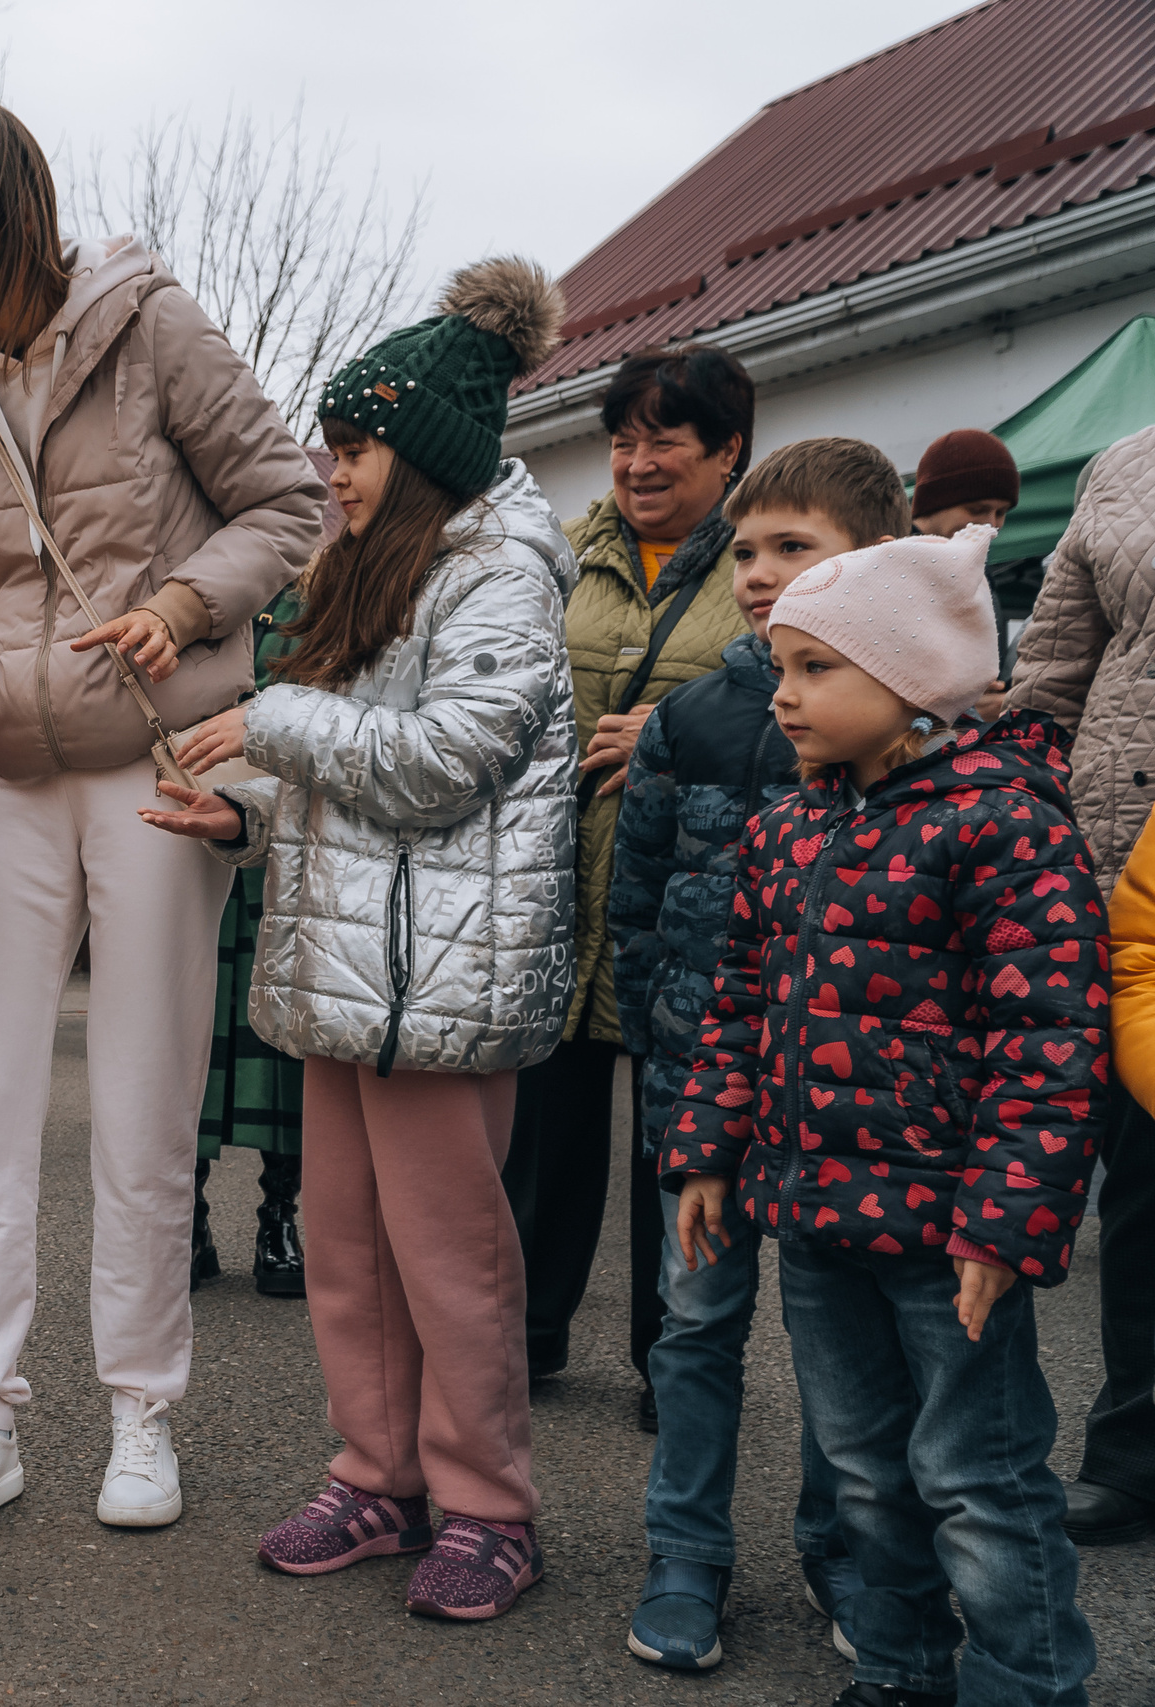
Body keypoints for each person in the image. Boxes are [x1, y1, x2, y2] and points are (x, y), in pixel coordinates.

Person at [0, 96, 323, 1537]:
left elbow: (289, 504)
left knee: (145, 1095)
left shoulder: (154, 322)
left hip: (156, 760)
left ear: (3, 212)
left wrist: (181, 602)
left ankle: (142, 1409)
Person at [149, 257, 573, 1618]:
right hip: (344, 972)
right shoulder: (363, 572)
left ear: (429, 449)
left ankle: (490, 1501)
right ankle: (375, 1473)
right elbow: (345, 766)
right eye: (330, 449)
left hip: (442, 987)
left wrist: (272, 725)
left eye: (354, 448)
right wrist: (244, 814)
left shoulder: (503, 578)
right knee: (346, 1243)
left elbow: (447, 761)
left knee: (451, 1257)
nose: (332, 474)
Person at [667, 525, 1099, 1707]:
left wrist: (1003, 1226)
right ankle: (900, 1672)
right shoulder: (787, 827)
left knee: (980, 1480)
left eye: (817, 668)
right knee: (863, 1472)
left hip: (946, 1236)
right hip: (815, 1219)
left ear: (913, 685)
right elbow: (738, 1002)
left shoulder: (1003, 823)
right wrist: (708, 1147)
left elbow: (1049, 1045)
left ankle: (1026, 1681)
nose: (785, 694)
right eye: (782, 664)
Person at [609, 438, 907, 1670]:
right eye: (746, 550)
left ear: (878, 560)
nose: (760, 574)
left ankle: (843, 1550)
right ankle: (685, 1552)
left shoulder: (914, 732)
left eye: (796, 548)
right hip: (706, 1093)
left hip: (851, 1111)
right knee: (696, 1329)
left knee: (850, 1352)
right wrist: (668, 1068)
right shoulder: (691, 716)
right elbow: (635, 904)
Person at [520, 344, 755, 1409]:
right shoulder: (565, 556)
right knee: (545, 1129)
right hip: (564, 888)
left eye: (665, 439)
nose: (637, 462)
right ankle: (525, 1332)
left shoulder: (763, 568)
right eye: (622, 441)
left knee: (680, 1133)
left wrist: (677, 724)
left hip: (697, 895)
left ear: (726, 451)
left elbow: (808, 701)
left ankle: (673, 1359)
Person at [1002, 421, 1155, 1545]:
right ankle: (1135, 1449)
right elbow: (1052, 677)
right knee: (1139, 1185)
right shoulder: (1126, 464)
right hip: (1118, 877)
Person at [193, 581, 308, 1298]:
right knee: (188, 1034)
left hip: (284, 842)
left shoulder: (319, 597)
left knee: (284, 1043)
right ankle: (187, 1215)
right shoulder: (182, 588)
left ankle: (279, 1217)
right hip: (190, 834)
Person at [913, 429, 1020, 721]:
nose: (991, 525)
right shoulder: (888, 569)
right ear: (933, 503)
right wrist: (964, 708)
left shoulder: (979, 570)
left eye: (1001, 512)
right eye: (977, 509)